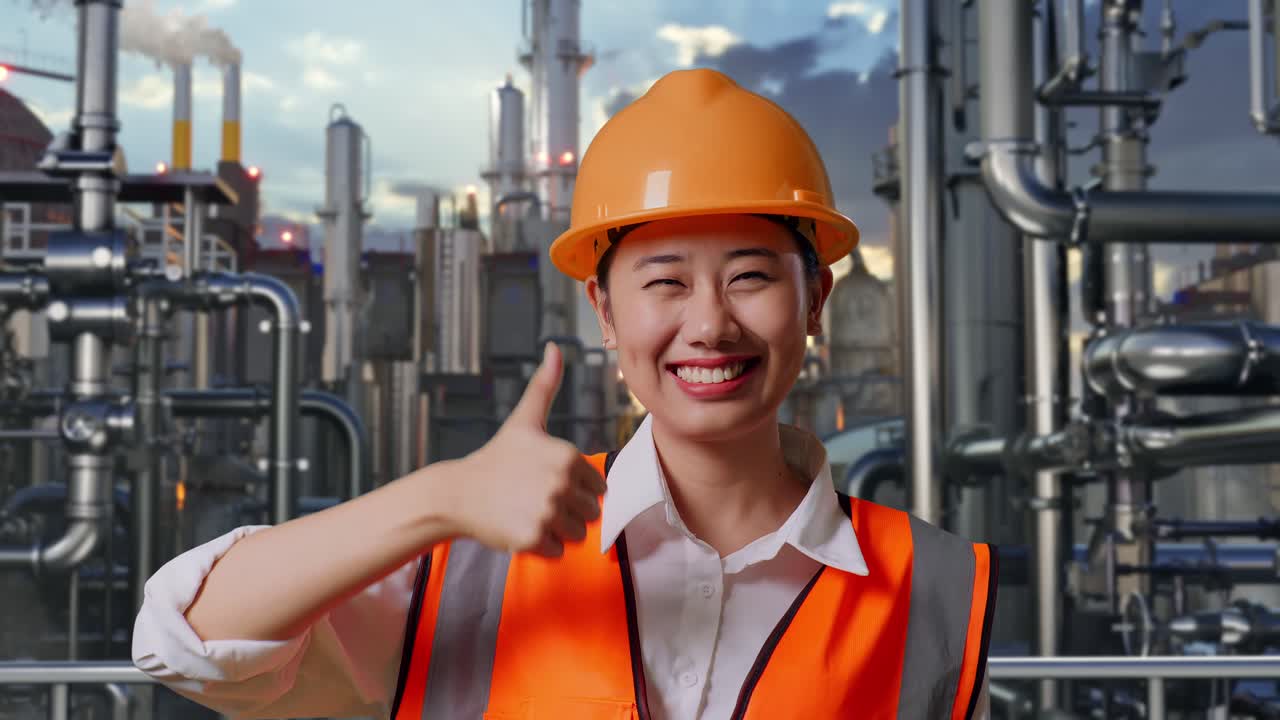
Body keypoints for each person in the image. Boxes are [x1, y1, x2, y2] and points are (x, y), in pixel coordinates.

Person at [133, 68, 995, 720]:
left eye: (749, 277)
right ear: (604, 312)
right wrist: (440, 496)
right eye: (664, 282)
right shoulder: (473, 558)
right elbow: (184, 639)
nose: (709, 325)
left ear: (814, 301)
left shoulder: (936, 588)